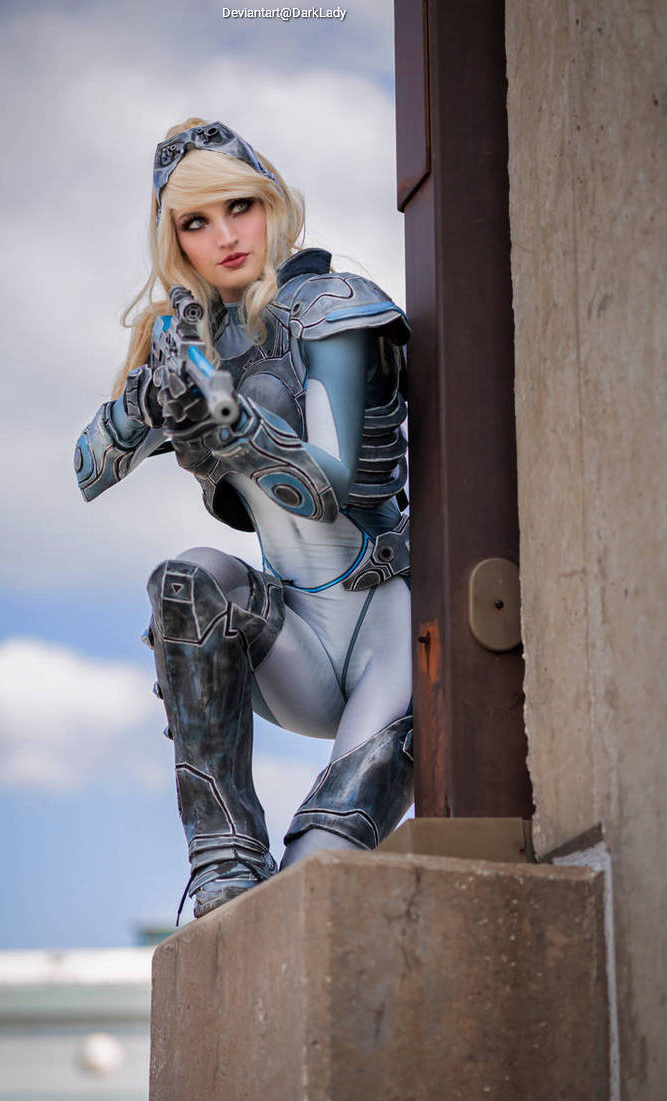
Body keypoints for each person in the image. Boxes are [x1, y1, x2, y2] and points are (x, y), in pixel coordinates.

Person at [75, 119, 415, 920]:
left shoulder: (331, 307)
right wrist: (148, 401)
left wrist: (230, 427)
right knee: (188, 578)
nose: (225, 237)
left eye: (239, 207)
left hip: (390, 627)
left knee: (313, 884)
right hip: (289, 636)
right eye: (196, 222)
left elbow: (328, 483)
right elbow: (88, 470)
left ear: (270, 205)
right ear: (175, 241)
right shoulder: (190, 341)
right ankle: (223, 856)